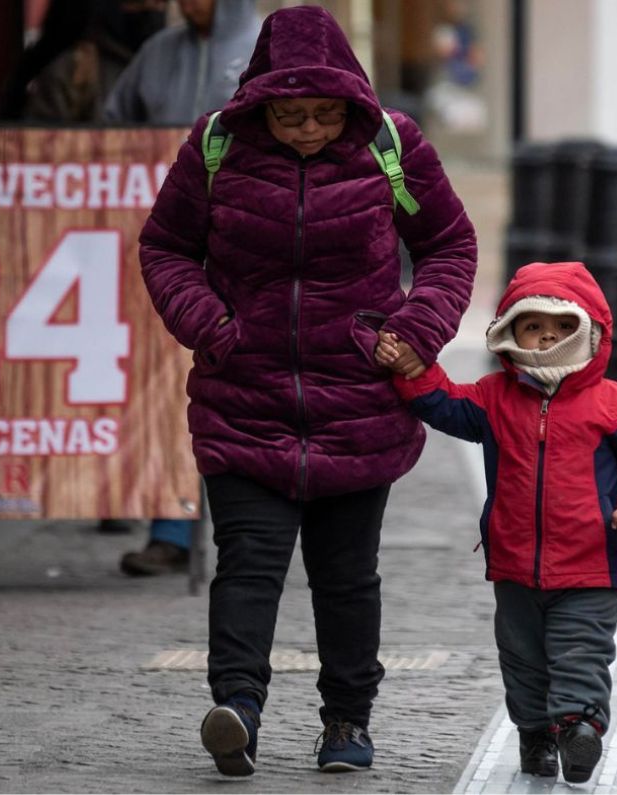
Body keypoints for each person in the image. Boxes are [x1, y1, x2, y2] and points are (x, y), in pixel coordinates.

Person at [137, 5, 477, 775]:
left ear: (349, 101)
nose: (309, 130)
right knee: (247, 563)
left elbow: (448, 243)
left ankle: (347, 720)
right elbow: (166, 247)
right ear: (260, 102)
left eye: (324, 114)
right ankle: (238, 709)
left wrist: (416, 328)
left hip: (358, 401)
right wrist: (210, 324)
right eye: (291, 116)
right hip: (243, 397)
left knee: (347, 576)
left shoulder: (390, 146)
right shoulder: (216, 147)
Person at [377, 261, 617, 784]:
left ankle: (580, 728)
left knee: (582, 651)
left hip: (592, 563)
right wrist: (413, 371)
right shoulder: (495, 397)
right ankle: (535, 734)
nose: (547, 337)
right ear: (510, 332)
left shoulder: (615, 404)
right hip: (515, 564)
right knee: (523, 659)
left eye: (561, 327)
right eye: (533, 326)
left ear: (589, 332)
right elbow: (446, 405)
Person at [110, 0, 263, 576]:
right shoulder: (157, 53)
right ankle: (170, 529)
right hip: (168, 242)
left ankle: (256, 527)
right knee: (166, 385)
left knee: (241, 392)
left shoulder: (263, 48)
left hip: (247, 248)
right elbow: (110, 126)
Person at [1, 0, 168, 122]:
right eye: (136, 2)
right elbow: (40, 145)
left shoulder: (170, 61)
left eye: (159, 3)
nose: (151, 8)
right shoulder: (76, 69)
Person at [104, 0, 261, 123]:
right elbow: (113, 121)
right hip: (166, 155)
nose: (186, 3)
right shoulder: (157, 51)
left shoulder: (265, 46)